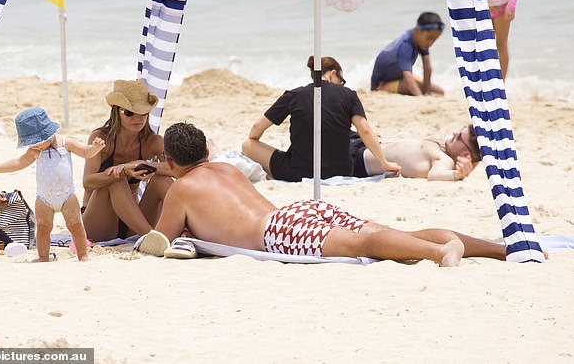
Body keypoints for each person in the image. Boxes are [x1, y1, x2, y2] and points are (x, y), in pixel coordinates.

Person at [139, 122, 506, 266]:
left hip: (278, 232)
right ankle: (497, 250)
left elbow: (159, 240)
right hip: (298, 210)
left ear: (171, 163)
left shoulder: (181, 188)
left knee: (365, 245)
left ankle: (441, 251)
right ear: (206, 152)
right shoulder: (227, 168)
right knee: (390, 237)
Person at [241, 56, 400, 181]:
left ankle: (272, 175)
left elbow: (257, 127)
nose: (342, 85)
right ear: (332, 74)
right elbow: (364, 130)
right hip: (343, 170)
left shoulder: (294, 95)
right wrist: (384, 163)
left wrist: (254, 143)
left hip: (298, 172)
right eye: (341, 81)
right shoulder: (349, 95)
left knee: (248, 145)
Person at [0, 107, 104, 262]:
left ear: (49, 133)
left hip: (67, 195)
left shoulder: (66, 143)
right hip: (44, 198)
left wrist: (95, 148)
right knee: (43, 228)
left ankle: (83, 255)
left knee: (76, 225)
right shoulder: (36, 151)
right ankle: (43, 256)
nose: (37, 146)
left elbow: (85, 153)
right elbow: (19, 163)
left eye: (39, 142)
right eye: (32, 144)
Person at [81, 79, 173, 242]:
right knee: (116, 178)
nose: (137, 118)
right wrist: (122, 170)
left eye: (143, 113)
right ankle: (152, 238)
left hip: (133, 223)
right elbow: (87, 182)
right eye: (129, 113)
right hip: (98, 221)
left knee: (162, 179)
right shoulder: (101, 138)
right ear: (117, 112)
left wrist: (143, 165)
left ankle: (185, 227)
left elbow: (177, 170)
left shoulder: (153, 141)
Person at [350, 125, 481, 181]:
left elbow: (435, 175)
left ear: (465, 155)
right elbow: (479, 156)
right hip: (364, 144)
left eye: (459, 137)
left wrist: (457, 174)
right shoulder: (444, 147)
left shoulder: (444, 160)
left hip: (357, 160)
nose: (454, 134)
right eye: (459, 131)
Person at [370, 12, 445, 96]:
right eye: (429, 38)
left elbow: (427, 67)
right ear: (418, 30)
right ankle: (382, 89)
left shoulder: (421, 42)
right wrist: (421, 98)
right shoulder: (405, 45)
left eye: (434, 40)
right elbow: (407, 75)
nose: (431, 43)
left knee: (440, 92)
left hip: (400, 77)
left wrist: (427, 92)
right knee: (414, 86)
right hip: (382, 83)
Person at [484, 0, 520, 80]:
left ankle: (501, 84)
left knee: (501, 44)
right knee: (483, 45)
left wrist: (512, 5)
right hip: (482, 5)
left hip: (501, 6)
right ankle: (487, 82)